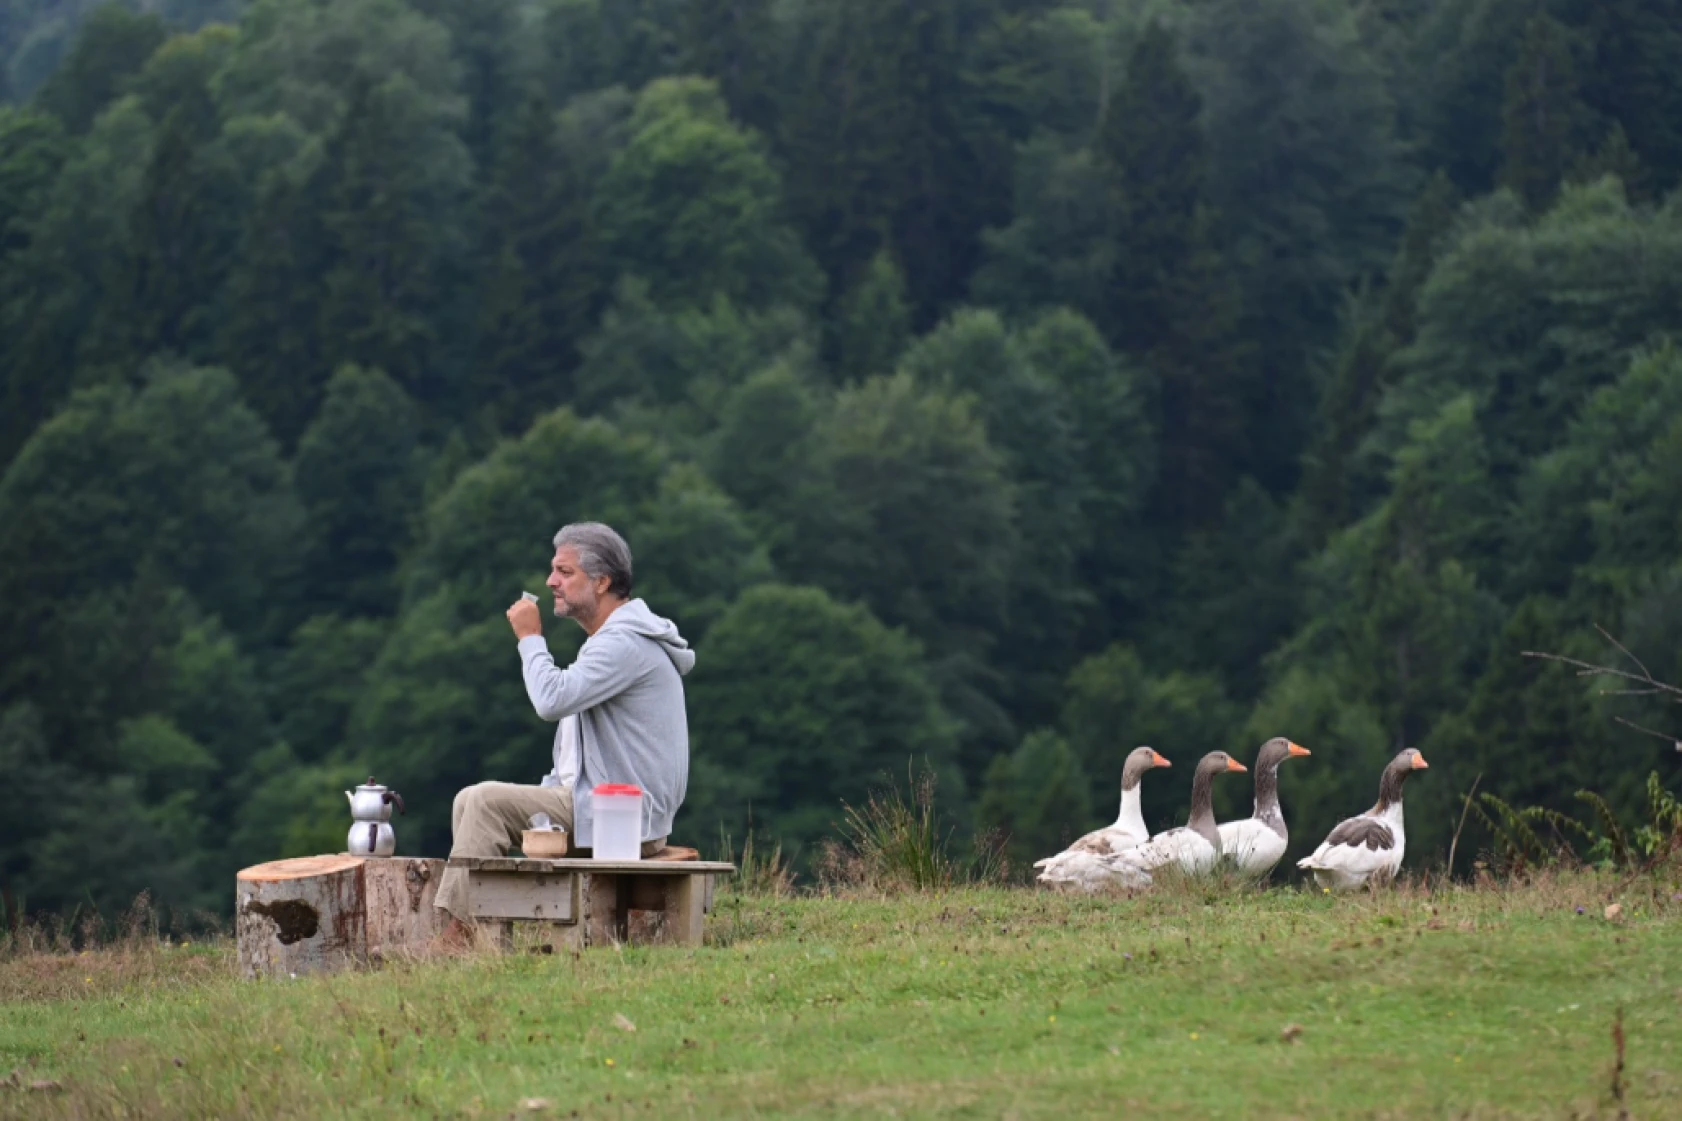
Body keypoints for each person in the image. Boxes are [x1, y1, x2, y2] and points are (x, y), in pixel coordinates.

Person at [433, 522, 695, 928]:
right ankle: (479, 937)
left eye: (565, 572)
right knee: (469, 801)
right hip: (603, 807)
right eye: (553, 570)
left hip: (622, 818)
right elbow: (574, 761)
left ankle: (455, 938)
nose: (551, 581)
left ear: (603, 581)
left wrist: (530, 638)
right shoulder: (613, 639)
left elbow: (550, 701)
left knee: (485, 802)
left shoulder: (623, 644)